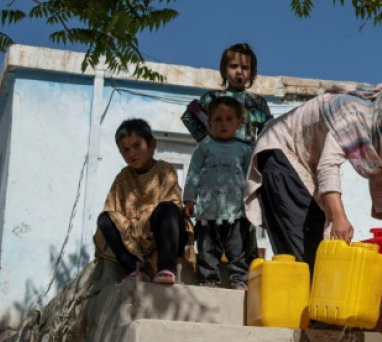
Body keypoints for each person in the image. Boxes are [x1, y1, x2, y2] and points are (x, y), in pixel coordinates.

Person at [244, 80, 382, 270]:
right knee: (304, 242)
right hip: (280, 151)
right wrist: (339, 217)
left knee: (316, 237)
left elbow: (379, 179)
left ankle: (305, 297)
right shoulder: (352, 112)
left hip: (300, 161)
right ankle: (297, 298)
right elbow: (328, 165)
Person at [181, 42, 272, 263]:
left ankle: (243, 266)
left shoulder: (257, 103)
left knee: (244, 217)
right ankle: (208, 265)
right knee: (210, 216)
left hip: (245, 168)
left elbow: (270, 131)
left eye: (245, 68)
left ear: (252, 73)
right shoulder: (212, 99)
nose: (239, 72)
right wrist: (210, 144)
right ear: (224, 70)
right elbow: (189, 117)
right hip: (216, 170)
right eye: (233, 66)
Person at [93, 118, 192, 285]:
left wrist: (150, 222)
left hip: (165, 235)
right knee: (104, 219)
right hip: (135, 239)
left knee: (167, 208)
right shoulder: (122, 178)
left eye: (136, 146)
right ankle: (135, 268)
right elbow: (113, 210)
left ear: (152, 145)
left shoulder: (165, 170)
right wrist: (134, 229)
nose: (131, 153)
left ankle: (166, 268)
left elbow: (174, 203)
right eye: (125, 150)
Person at [182, 96, 253, 290]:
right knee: (207, 249)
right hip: (207, 212)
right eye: (218, 120)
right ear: (210, 123)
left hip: (236, 213)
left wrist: (252, 206)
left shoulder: (244, 151)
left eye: (229, 119)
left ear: (239, 122)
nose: (223, 124)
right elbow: (193, 174)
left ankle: (239, 279)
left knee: (237, 249)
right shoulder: (204, 148)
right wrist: (189, 199)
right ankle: (209, 280)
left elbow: (251, 180)